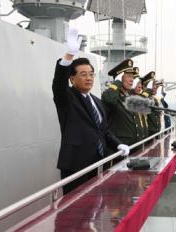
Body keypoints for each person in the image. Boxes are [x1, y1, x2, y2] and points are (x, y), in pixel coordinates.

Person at [52, 28, 129, 194]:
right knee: (75, 208)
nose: (89, 78)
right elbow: (58, 84)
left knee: (93, 205)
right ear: (72, 78)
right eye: (83, 74)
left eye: (91, 74)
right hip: (75, 164)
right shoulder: (67, 98)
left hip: (98, 162)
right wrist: (68, 57)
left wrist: (118, 144)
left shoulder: (97, 102)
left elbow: (103, 130)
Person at [101, 60, 143, 147]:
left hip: (133, 146)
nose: (132, 79)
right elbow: (109, 100)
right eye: (128, 76)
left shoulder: (129, 96)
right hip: (119, 149)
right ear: (120, 78)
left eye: (132, 77)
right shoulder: (111, 95)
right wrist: (116, 82)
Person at [140, 71, 161, 136]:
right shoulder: (140, 99)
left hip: (156, 133)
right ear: (144, 87)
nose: (155, 87)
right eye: (152, 85)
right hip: (147, 135)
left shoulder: (154, 100)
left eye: (155, 84)